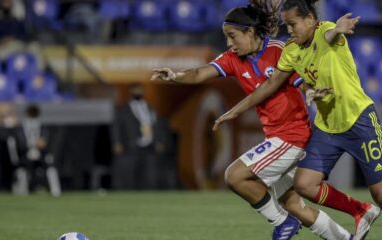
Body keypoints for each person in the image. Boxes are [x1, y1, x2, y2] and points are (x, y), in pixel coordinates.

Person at [151, 3, 355, 240]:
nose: (229, 44)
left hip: (293, 137)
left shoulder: (281, 51)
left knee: (234, 176)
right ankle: (345, 239)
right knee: (293, 204)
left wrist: (311, 92)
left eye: (232, 36)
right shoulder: (232, 59)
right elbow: (199, 73)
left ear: (250, 31)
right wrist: (176, 76)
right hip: (277, 138)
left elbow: (304, 79)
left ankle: (283, 222)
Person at [213, 0, 382, 238]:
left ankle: (370, 212)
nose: (289, 30)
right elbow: (272, 83)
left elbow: (330, 37)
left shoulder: (325, 31)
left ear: (310, 21)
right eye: (286, 25)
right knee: (303, 185)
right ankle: (359, 211)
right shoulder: (291, 50)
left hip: (359, 120)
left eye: (292, 24)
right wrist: (237, 110)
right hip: (327, 127)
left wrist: (338, 29)